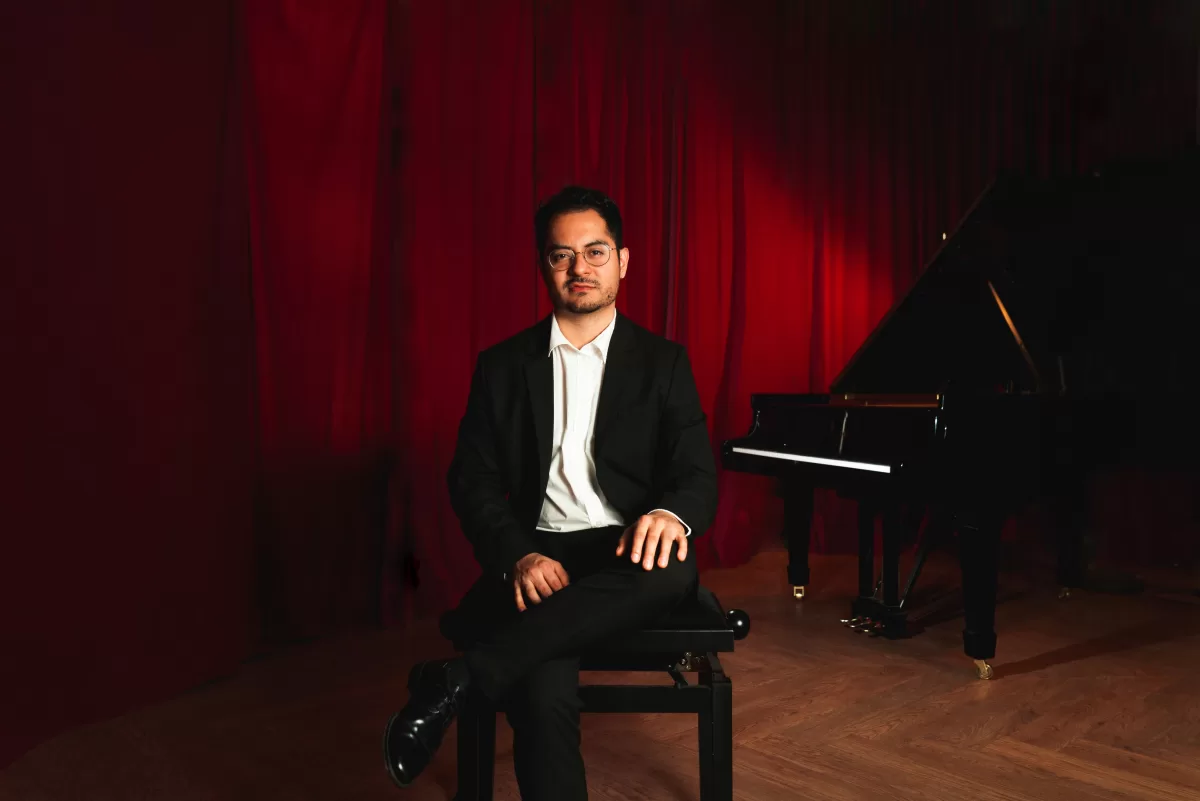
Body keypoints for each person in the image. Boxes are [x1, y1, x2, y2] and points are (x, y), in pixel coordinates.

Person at [382, 186, 719, 800]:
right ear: (544, 265)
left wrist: (670, 514)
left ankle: (456, 678)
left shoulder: (664, 362)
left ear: (623, 260)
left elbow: (696, 473)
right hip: (541, 552)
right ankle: (471, 673)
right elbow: (472, 480)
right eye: (562, 255)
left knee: (672, 569)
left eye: (595, 252)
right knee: (540, 687)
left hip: (627, 550)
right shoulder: (502, 365)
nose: (579, 268)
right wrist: (518, 555)